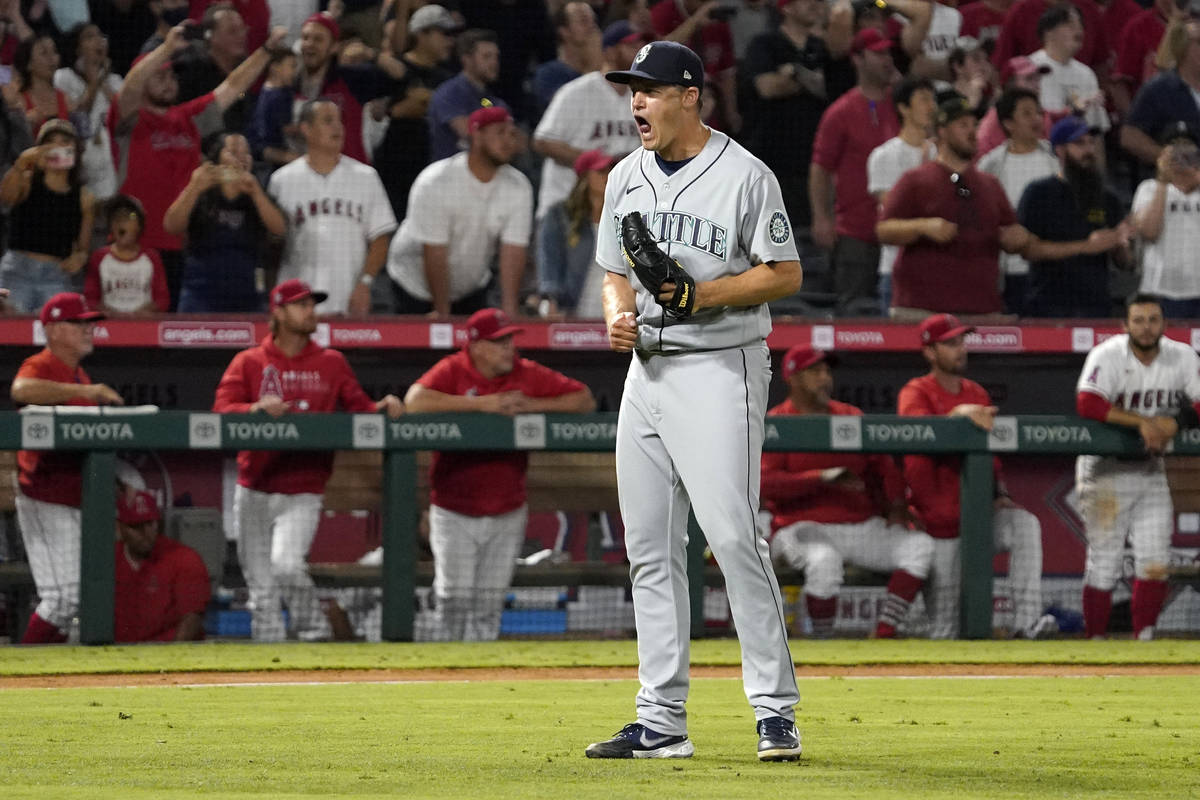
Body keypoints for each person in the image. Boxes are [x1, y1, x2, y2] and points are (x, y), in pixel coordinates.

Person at [585, 40, 804, 762]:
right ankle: (661, 719)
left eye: (649, 89)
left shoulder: (744, 174)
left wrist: (704, 295)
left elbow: (784, 272)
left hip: (721, 369)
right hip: (646, 376)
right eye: (631, 91)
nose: (637, 102)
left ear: (689, 95)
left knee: (734, 537)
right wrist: (617, 313)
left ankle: (775, 710)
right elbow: (615, 269)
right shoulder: (624, 176)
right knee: (649, 550)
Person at [212, 278, 404, 641]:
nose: (310, 310)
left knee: (286, 566)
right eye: (301, 304)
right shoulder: (250, 361)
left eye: (312, 304)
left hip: (304, 487)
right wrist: (254, 408)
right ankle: (269, 655)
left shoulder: (331, 362)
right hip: (254, 486)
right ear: (279, 312)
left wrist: (385, 405)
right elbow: (221, 410)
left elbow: (361, 409)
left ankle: (314, 631)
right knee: (261, 585)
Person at [404, 307, 595, 640]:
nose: (509, 348)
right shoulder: (454, 368)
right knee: (453, 597)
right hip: (454, 509)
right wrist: (484, 404)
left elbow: (583, 399)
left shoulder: (524, 372)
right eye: (499, 342)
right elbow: (415, 401)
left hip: (508, 507)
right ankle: (445, 669)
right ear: (476, 346)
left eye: (510, 340)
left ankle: (480, 677)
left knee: (489, 604)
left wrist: (532, 406)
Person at [877, 97, 1124, 318]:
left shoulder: (988, 184)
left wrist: (1017, 238)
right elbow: (883, 230)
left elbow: (1014, 237)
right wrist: (922, 225)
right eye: (963, 125)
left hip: (981, 309)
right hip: (922, 309)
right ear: (942, 132)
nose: (972, 132)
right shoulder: (916, 179)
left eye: (974, 125)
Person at [898, 313, 1055, 639]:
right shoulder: (915, 392)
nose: (961, 349)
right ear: (930, 351)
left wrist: (1000, 495)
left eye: (962, 341)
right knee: (945, 632)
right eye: (951, 343)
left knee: (1025, 524)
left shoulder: (977, 393)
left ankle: (1026, 623)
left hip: (979, 523)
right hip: (939, 531)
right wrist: (957, 415)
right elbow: (920, 436)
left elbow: (992, 460)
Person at [110, 23, 288, 311]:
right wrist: (166, 48)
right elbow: (129, 88)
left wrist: (266, 50)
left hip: (182, 247)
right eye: (159, 75)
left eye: (171, 75)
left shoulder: (189, 119)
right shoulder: (129, 121)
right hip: (135, 246)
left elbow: (233, 85)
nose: (168, 81)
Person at [761, 346, 933, 639]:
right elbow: (765, 484)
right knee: (824, 561)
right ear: (792, 378)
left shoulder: (850, 416)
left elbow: (885, 470)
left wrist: (896, 506)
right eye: (814, 372)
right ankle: (824, 642)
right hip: (799, 527)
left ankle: (884, 631)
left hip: (858, 527)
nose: (825, 378)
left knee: (920, 547)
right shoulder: (777, 421)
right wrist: (820, 477)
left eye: (827, 371)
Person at [1074, 294, 1200, 640]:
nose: (1146, 327)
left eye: (1153, 320)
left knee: (1155, 560)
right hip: (1105, 471)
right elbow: (1087, 403)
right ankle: (1095, 642)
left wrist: (1172, 425)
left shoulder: (1182, 356)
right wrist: (1142, 423)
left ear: (1164, 323)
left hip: (1150, 470)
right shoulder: (1108, 354)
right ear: (1126, 324)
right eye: (1139, 320)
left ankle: (1144, 640)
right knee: (1105, 562)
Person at [10, 292, 123, 644]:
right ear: (54, 330)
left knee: (83, 600)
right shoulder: (42, 364)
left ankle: (63, 675)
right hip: (44, 495)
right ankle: (23, 670)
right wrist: (88, 394)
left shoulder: (79, 375)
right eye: (79, 323)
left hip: (75, 496)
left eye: (90, 323)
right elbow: (21, 390)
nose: (89, 330)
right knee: (63, 598)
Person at [384, 105, 530, 318]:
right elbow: (434, 252)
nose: (509, 140)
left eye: (512, 134)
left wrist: (511, 312)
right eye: (500, 132)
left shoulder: (518, 186)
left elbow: (513, 252)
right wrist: (443, 315)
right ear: (477, 136)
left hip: (470, 288)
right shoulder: (436, 182)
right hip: (413, 285)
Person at [269, 99, 397, 316]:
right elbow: (271, 245)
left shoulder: (366, 177)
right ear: (306, 129)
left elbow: (380, 238)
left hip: (348, 297)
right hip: (295, 301)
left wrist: (365, 284)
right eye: (328, 121)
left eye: (339, 121)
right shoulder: (282, 180)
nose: (337, 127)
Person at [810, 28, 899, 315]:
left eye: (888, 52)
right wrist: (822, 218)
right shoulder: (841, 112)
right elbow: (821, 169)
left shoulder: (904, 106)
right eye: (878, 53)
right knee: (853, 316)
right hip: (855, 234)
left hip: (901, 233)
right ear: (858, 59)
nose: (887, 60)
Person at [1016, 116, 1130, 318]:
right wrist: (1086, 246)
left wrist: (1119, 243)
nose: (1088, 150)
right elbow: (1028, 250)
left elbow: (1124, 263)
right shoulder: (1039, 193)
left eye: (1090, 142)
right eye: (1079, 143)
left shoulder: (1108, 198)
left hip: (1096, 306)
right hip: (1048, 305)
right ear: (1060, 150)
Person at [532, 19, 646, 221]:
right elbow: (543, 141)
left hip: (617, 211)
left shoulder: (644, 97)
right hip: (566, 205)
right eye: (631, 45)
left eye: (640, 45)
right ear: (609, 52)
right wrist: (596, 164)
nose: (639, 51)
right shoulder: (577, 92)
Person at [164, 131, 287, 313]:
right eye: (233, 151)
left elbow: (280, 229)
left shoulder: (257, 194)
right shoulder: (201, 193)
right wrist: (194, 187)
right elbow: (171, 226)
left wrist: (256, 192)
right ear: (216, 158)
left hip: (247, 294)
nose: (241, 158)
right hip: (201, 294)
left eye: (246, 153)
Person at [739, 0, 831, 231]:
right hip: (772, 163)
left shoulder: (821, 47)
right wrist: (809, 79)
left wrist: (794, 73)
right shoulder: (764, 44)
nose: (814, 4)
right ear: (786, 7)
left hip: (812, 164)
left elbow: (828, 88)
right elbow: (767, 87)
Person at [976, 87, 1059, 314]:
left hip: (1049, 267)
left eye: (1038, 112)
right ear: (1009, 123)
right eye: (1027, 113)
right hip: (1009, 270)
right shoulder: (990, 165)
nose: (1036, 119)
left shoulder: (1056, 159)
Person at [371, 3, 457, 219]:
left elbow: (482, 103)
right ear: (422, 34)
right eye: (444, 34)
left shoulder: (448, 78)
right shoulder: (394, 70)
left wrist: (426, 101)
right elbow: (380, 112)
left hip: (431, 171)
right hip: (393, 173)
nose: (450, 41)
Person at [0, 119, 93, 313]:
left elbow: (83, 248)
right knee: (9, 332)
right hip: (17, 269)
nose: (57, 147)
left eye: (64, 142)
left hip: (56, 275)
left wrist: (80, 258)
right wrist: (21, 163)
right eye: (50, 142)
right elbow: (5, 198)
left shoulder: (84, 197)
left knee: (57, 332)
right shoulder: (26, 181)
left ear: (75, 150)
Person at [867, 75, 937, 315]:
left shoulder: (942, 153)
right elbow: (892, 211)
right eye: (924, 99)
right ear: (904, 108)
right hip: (896, 269)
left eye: (933, 100)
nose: (932, 107)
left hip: (939, 269)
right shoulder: (884, 156)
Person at [113, 488, 210, 643]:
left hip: (169, 655)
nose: (146, 532)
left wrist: (169, 661)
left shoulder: (184, 558)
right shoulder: (107, 560)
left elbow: (192, 620)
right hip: (117, 655)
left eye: (150, 523)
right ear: (119, 527)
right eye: (136, 526)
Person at [536, 149, 614, 319]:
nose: (608, 176)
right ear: (585, 177)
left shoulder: (628, 216)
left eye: (611, 170)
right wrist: (551, 299)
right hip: (574, 312)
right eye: (601, 171)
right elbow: (549, 260)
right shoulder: (560, 216)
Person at [1131, 128, 1200, 318]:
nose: (1182, 159)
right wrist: (1163, 181)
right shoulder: (1149, 188)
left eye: (1189, 154)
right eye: (1175, 153)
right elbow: (1149, 231)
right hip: (1161, 290)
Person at [53, 23, 124, 203]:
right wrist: (94, 80)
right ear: (78, 49)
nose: (98, 41)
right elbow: (79, 117)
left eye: (100, 36)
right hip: (80, 166)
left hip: (112, 165)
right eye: (89, 37)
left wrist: (102, 78)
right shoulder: (64, 77)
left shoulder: (115, 81)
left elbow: (123, 115)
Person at [1121, 19, 1200, 168]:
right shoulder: (1159, 89)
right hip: (1174, 184)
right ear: (1182, 47)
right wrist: (1167, 158)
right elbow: (1130, 136)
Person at [427, 28, 507, 162]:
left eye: (496, 56)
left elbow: (513, 140)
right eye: (487, 56)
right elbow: (469, 133)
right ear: (467, 60)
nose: (494, 62)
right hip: (451, 175)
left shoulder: (492, 100)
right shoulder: (449, 94)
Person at [1027, 5, 1108, 135]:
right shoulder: (1029, 68)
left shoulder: (1086, 74)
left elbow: (1095, 133)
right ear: (1049, 32)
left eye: (1080, 24)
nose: (1078, 29)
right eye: (1070, 24)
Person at [84, 193, 170, 314]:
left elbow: (162, 299)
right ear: (110, 226)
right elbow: (90, 298)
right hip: (108, 326)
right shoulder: (99, 257)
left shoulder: (151, 257)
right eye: (117, 218)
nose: (122, 223)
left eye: (129, 217)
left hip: (144, 325)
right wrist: (108, 313)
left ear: (140, 225)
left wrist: (143, 313)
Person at [990, 0, 1109, 72]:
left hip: (1079, 90)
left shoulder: (1089, 9)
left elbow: (1100, 63)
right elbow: (1002, 65)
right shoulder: (1021, 10)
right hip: (1033, 93)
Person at [532, 1, 603, 114]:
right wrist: (592, 67)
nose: (592, 27)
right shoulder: (548, 74)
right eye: (584, 21)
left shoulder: (608, 71)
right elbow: (568, 112)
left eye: (594, 21)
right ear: (564, 32)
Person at [974, 55, 1051, 158]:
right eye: (1029, 79)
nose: (1037, 84)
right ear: (1010, 85)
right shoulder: (992, 125)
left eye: (1037, 78)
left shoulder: (1042, 115)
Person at [248, 48, 300, 180]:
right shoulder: (281, 96)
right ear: (275, 67)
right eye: (292, 66)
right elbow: (286, 128)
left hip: (263, 152)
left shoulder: (265, 92)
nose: (294, 72)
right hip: (270, 155)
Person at [14, 34, 70, 140]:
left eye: (54, 51)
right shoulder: (20, 102)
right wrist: (25, 124)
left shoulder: (66, 99)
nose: (52, 58)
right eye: (44, 53)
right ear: (29, 64)